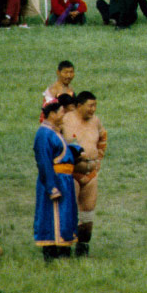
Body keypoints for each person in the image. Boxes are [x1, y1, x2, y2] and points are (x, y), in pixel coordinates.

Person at [34, 95, 79, 260]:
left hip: (64, 180)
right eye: (61, 112)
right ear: (52, 114)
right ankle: (51, 253)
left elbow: (59, 152)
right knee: (52, 215)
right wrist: (51, 186)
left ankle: (64, 249)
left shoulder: (53, 131)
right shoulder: (43, 134)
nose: (63, 115)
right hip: (55, 181)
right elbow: (44, 162)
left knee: (65, 215)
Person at [61, 90, 106, 256]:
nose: (93, 109)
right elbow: (54, 142)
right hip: (70, 173)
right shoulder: (65, 120)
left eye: (95, 105)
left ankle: (83, 249)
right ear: (79, 105)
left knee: (88, 214)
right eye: (90, 105)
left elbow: (103, 137)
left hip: (91, 174)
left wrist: (98, 159)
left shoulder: (96, 121)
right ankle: (64, 249)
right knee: (69, 212)